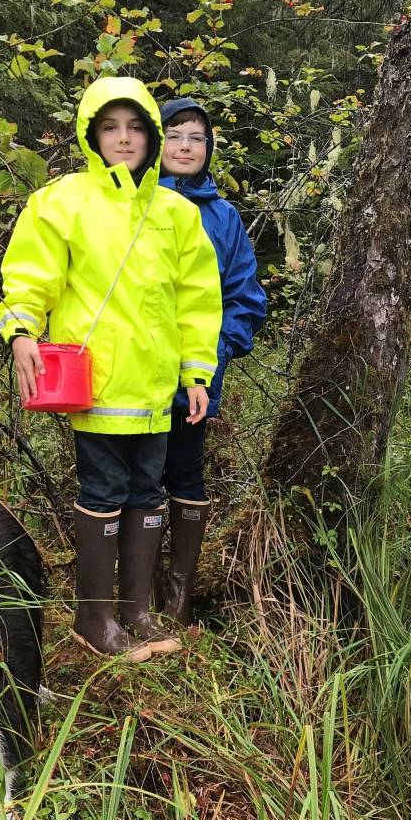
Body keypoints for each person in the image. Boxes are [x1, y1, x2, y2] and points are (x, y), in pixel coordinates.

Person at [0, 77, 222, 662]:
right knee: (104, 490)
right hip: (94, 386)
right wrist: (21, 331)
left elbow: (197, 300)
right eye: (111, 127)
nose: (125, 139)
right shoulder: (63, 200)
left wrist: (196, 373)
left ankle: (136, 613)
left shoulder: (175, 212)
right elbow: (30, 274)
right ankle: (93, 622)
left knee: (148, 491)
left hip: (155, 391)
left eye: (136, 127)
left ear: (149, 133)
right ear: (92, 135)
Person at [156, 99, 267, 628]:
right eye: (174, 134)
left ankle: (177, 598)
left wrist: (217, 350)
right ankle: (132, 591)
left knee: (184, 472)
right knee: (133, 478)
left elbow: (244, 297)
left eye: (196, 138)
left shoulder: (224, 218)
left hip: (196, 381)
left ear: (208, 149)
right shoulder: (133, 204)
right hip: (131, 375)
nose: (184, 146)